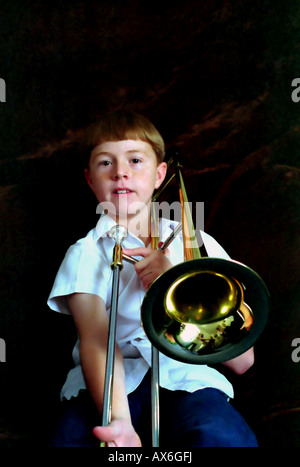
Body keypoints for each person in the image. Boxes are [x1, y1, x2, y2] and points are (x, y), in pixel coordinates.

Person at [47, 110, 258, 447]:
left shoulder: (196, 244)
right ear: (90, 179)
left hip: (188, 379)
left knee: (220, 438)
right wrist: (118, 421)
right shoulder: (85, 252)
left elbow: (242, 361)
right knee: (70, 441)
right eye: (105, 163)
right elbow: (96, 341)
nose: (120, 173)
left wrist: (173, 280)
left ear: (160, 174)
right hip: (106, 385)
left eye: (135, 160)